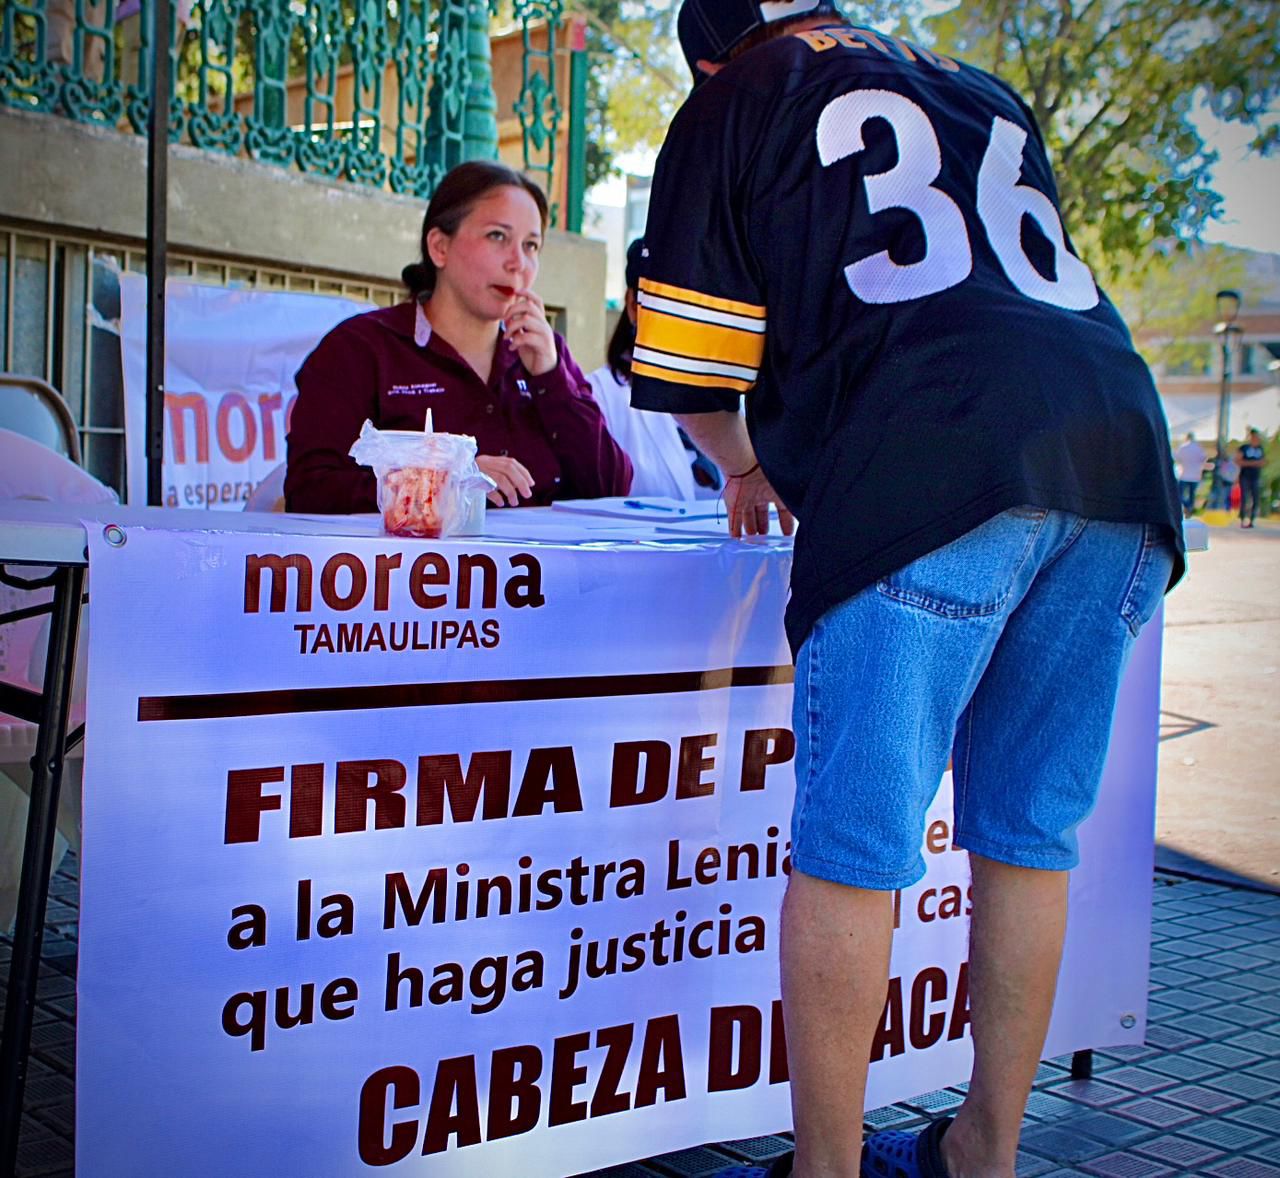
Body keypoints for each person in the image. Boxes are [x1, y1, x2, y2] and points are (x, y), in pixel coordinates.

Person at [629, 5, 1184, 1177]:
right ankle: (983, 1151)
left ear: (710, 52)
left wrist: (744, 464)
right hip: (1116, 449)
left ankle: (826, 1168)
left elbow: (686, 369)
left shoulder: (736, 93)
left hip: (926, 455)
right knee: (1027, 834)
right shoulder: (976, 86)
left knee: (853, 846)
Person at [285, 161, 632, 513]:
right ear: (439, 247)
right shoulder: (360, 349)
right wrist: (447, 484)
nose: (518, 263)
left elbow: (612, 488)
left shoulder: (547, 355)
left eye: (531, 245)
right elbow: (310, 490)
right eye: (497, 236)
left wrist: (551, 379)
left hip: (541, 552)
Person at [586, 238, 723, 499]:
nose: (685, 315)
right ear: (633, 305)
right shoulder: (598, 396)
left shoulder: (729, 397)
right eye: (669, 300)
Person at [1236, 427, 1266, 528]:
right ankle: (1242, 518)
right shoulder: (1244, 448)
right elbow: (1238, 461)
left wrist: (1255, 463)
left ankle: (1252, 519)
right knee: (1245, 498)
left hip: (1256, 476)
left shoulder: (1260, 448)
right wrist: (1253, 463)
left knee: (1255, 498)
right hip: (1245, 476)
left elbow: (1263, 462)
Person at [1173, 432, 1206, 517]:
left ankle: (1186, 506)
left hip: (1184, 475)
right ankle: (1190, 508)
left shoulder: (1183, 448)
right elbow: (1203, 459)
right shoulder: (1198, 448)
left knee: (1179, 495)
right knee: (1192, 495)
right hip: (1195, 476)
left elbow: (1177, 458)